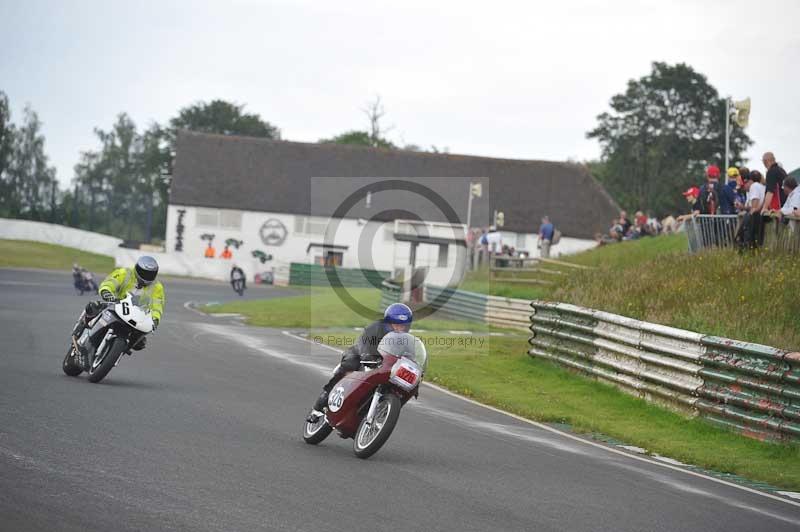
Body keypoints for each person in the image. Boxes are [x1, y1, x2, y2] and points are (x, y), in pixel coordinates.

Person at [308, 303, 413, 420]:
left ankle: (380, 414)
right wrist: (366, 356)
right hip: (360, 354)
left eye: (403, 326)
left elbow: (410, 356)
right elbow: (364, 342)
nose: (400, 328)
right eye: (397, 325)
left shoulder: (405, 339)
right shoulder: (376, 327)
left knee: (396, 385)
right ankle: (318, 407)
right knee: (349, 366)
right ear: (388, 322)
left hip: (383, 365)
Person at [74, 256, 165, 369]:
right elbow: (110, 282)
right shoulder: (125, 273)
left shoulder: (157, 287)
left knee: (141, 342)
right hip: (115, 304)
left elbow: (157, 305)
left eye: (150, 274)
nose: (146, 276)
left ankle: (116, 353)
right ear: (137, 268)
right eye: (143, 272)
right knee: (93, 307)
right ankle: (80, 330)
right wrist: (107, 292)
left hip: (135, 316)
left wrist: (155, 319)